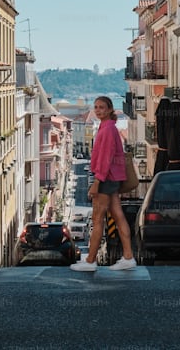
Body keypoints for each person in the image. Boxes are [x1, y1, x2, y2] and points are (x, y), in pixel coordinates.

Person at [70, 96, 136, 271]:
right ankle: (128, 256)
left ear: (109, 110)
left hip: (106, 178)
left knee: (97, 219)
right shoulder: (109, 128)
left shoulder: (107, 130)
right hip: (112, 177)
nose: (98, 110)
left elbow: (105, 158)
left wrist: (97, 182)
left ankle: (91, 261)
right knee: (118, 215)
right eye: (96, 107)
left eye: (102, 107)